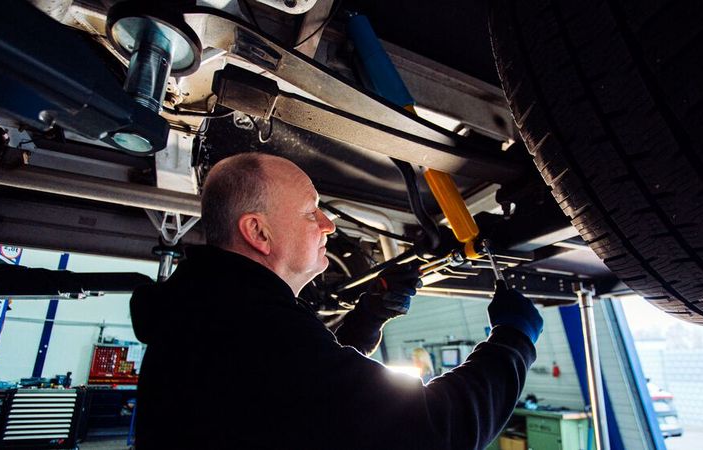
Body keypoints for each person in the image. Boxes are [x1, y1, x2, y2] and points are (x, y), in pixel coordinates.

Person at [130, 152, 543, 450]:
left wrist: (370, 315)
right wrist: (513, 341)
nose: (329, 224)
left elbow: (308, 388)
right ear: (259, 232)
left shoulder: (214, 312)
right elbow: (437, 429)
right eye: (312, 212)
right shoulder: (250, 329)